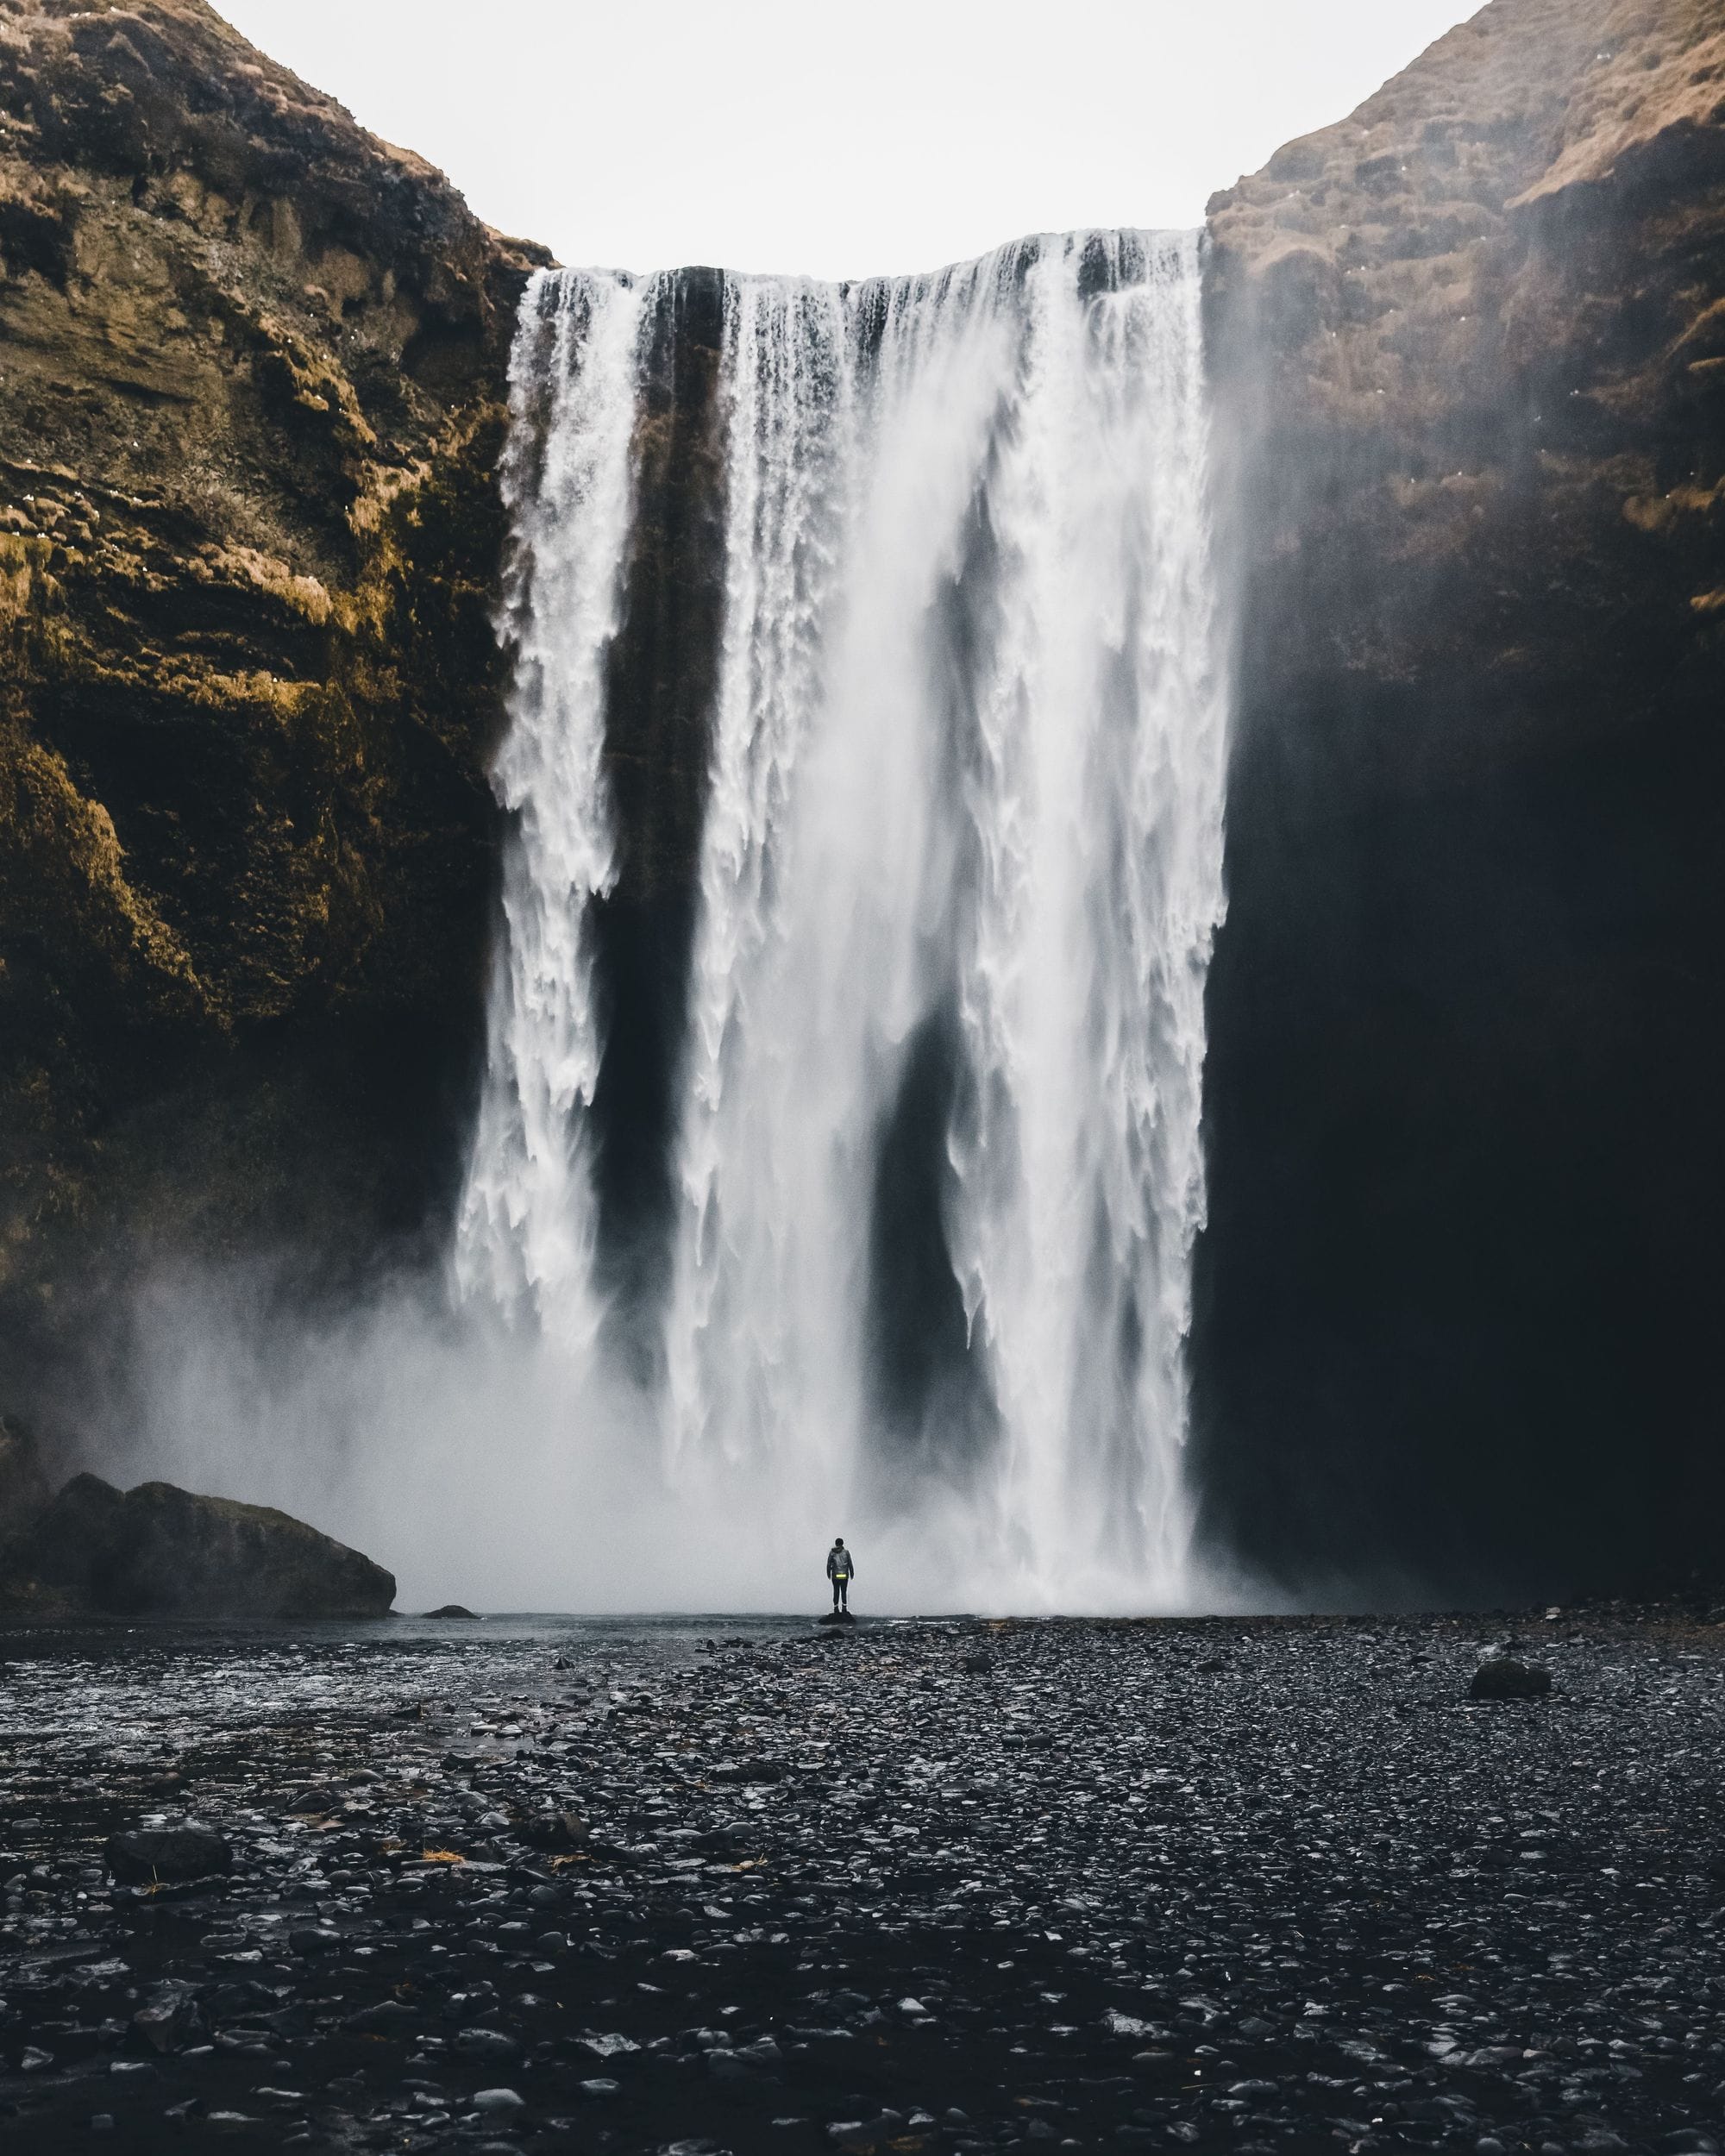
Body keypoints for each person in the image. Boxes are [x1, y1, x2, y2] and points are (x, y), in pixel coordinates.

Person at [826, 1537, 855, 1614]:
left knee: (836, 1591)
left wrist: (828, 1573)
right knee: (844, 1591)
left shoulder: (832, 1553)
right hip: (844, 1575)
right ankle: (844, 1608)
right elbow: (850, 1563)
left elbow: (829, 1564)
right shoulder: (846, 1552)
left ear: (836, 1544)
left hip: (835, 1575)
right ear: (842, 1544)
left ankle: (836, 1608)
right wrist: (852, 1573)